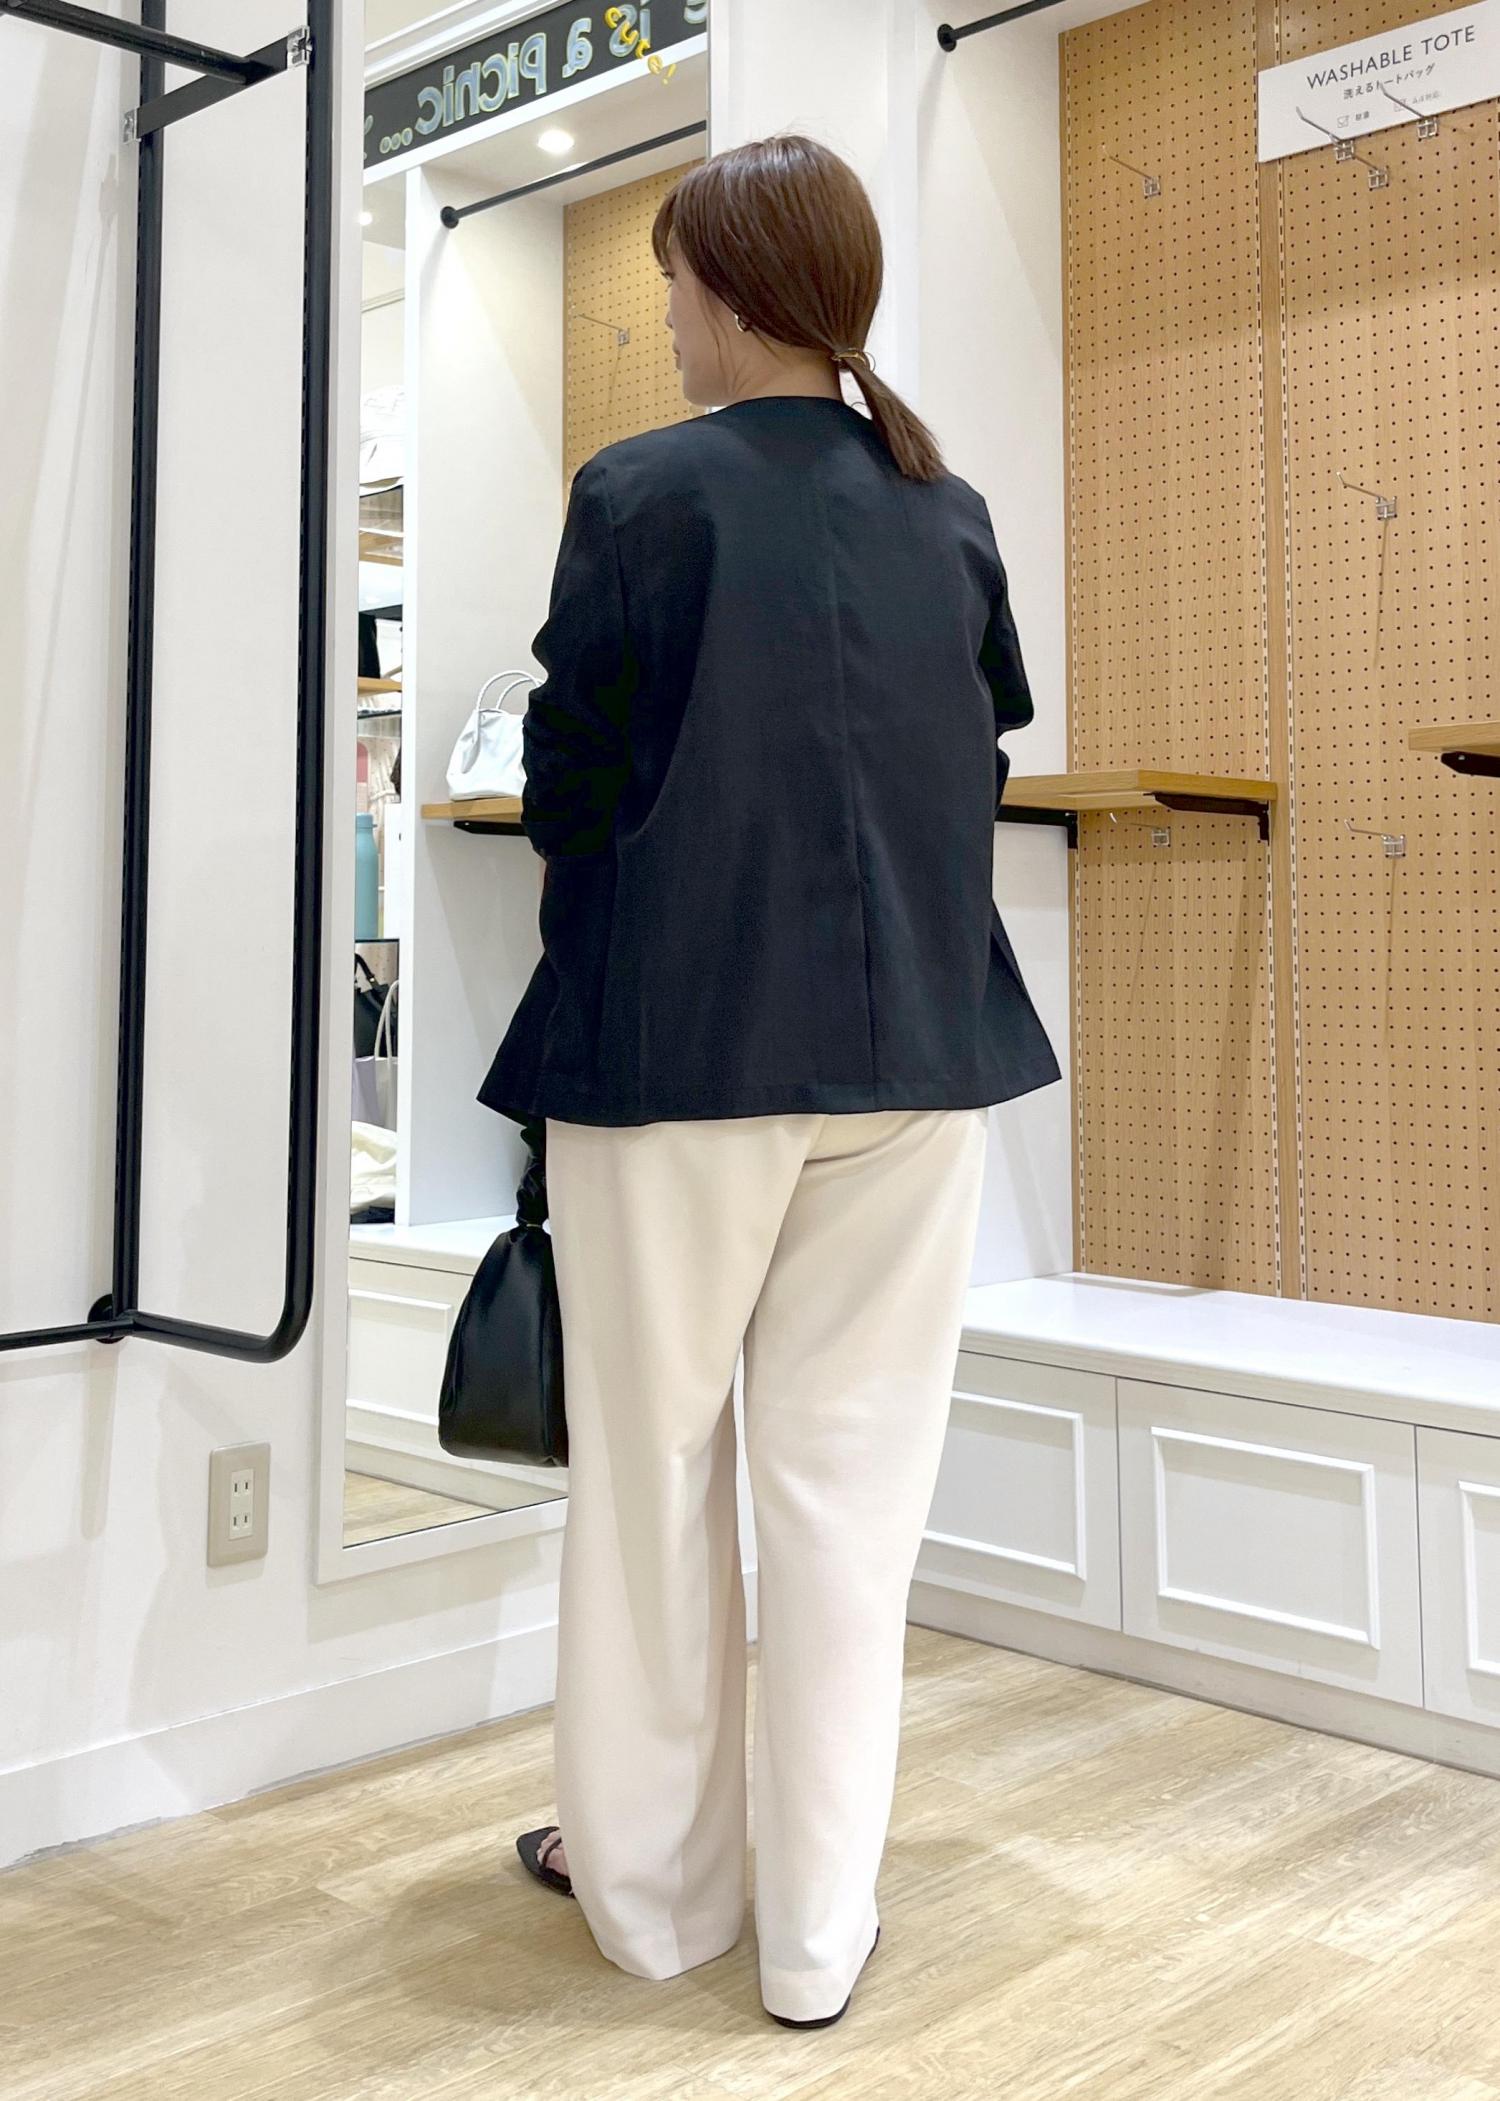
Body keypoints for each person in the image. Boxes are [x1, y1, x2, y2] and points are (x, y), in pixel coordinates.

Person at [480, 133, 1061, 2029]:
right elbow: (972, 760)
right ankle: (818, 1932)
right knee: (850, 1504)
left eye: (672, 284)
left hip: (678, 1055)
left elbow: (567, 786)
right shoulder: (947, 508)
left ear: (730, 291)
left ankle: (655, 1901)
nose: (666, 320)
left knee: (654, 1483)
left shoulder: (639, 494)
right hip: (916, 1062)